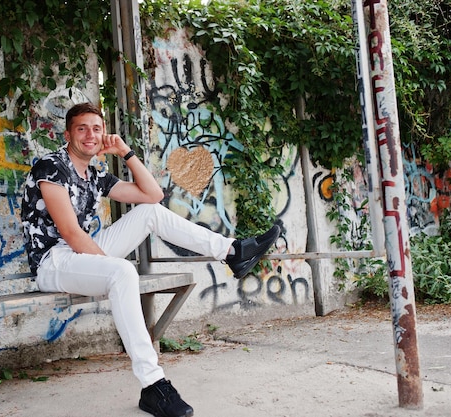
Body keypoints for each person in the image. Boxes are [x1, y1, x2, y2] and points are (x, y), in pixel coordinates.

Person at [20, 102, 280, 417]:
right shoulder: (51, 167)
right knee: (122, 273)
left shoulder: (95, 173)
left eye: (97, 128)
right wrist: (108, 268)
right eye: (82, 128)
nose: (90, 135)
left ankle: (233, 251)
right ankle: (153, 383)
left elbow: (153, 195)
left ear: (104, 134)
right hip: (53, 260)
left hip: (81, 255)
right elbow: (72, 235)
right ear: (68, 133)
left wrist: (126, 153)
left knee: (150, 213)